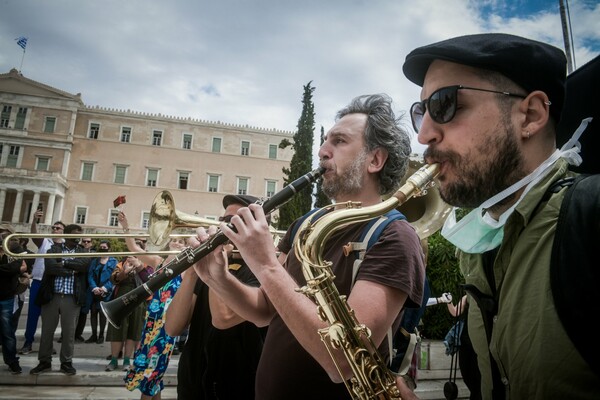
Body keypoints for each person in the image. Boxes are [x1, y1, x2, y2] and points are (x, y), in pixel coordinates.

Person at [402, 33, 600, 399]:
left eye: (444, 104)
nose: (424, 134)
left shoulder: (591, 215)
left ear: (531, 115)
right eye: (421, 112)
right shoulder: (478, 245)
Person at [190, 93, 425, 399]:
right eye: (325, 140)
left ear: (375, 160)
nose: (322, 150)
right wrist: (216, 278)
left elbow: (345, 360)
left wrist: (265, 264)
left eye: (339, 141)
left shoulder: (395, 235)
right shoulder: (305, 224)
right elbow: (264, 310)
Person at [165, 194, 267, 399]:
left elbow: (223, 318)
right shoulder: (208, 265)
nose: (221, 226)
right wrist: (192, 272)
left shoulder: (262, 269)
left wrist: (219, 266)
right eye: (223, 220)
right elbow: (173, 327)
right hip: (192, 381)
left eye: (232, 222)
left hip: (237, 384)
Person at [119, 210, 186, 400]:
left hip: (169, 324)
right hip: (152, 321)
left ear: (185, 246)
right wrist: (126, 228)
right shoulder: (158, 262)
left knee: (154, 368)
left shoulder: (186, 268)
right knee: (148, 365)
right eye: (174, 240)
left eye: (181, 242)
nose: (176, 243)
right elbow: (133, 248)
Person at [30, 224, 90, 376]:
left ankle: (66, 362)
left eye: (80, 235)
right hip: (52, 295)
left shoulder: (83, 251)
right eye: (75, 234)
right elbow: (50, 268)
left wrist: (63, 262)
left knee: (69, 333)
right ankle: (44, 361)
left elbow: (83, 267)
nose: (79, 238)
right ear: (68, 234)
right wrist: (71, 268)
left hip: (71, 297)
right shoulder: (54, 249)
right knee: (47, 331)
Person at [18, 216, 65, 355]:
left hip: (54, 283)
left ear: (63, 231)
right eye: (53, 228)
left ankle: (48, 346)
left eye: (58, 228)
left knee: (50, 318)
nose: (55, 230)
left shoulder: (64, 246)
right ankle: (28, 343)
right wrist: (34, 221)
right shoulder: (45, 241)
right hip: (39, 282)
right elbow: (34, 234)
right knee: (33, 314)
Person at [105, 255, 149, 371]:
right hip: (121, 301)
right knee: (117, 329)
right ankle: (114, 360)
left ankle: (126, 360)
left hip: (139, 301)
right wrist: (124, 272)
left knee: (133, 331)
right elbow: (113, 279)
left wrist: (138, 267)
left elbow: (149, 279)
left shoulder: (145, 265)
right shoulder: (120, 265)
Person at [0, 224, 27, 374]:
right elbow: (16, 268)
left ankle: (12, 361)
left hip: (6, 297)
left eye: (3, 232)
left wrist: (14, 269)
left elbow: (20, 266)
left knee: (7, 332)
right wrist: (14, 269)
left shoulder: (15, 250)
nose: (0, 234)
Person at [445, 294, 481, 400]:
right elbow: (455, 312)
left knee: (477, 375)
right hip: (465, 341)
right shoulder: (468, 296)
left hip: (480, 341)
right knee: (466, 372)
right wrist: (449, 301)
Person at [85, 240, 117, 344]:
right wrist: (94, 287)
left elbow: (114, 277)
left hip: (106, 292)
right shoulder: (95, 261)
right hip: (94, 291)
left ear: (109, 249)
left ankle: (101, 335)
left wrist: (104, 288)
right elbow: (90, 275)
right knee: (93, 313)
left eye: (104, 247)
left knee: (103, 314)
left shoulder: (114, 261)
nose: (102, 249)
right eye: (101, 247)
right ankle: (93, 334)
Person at [74, 236, 95, 342]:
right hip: (77, 282)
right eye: (84, 241)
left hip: (88, 285)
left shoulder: (94, 254)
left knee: (84, 312)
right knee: (73, 311)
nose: (86, 243)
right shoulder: (77, 251)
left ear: (91, 243)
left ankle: (78, 334)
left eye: (88, 241)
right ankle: (66, 334)